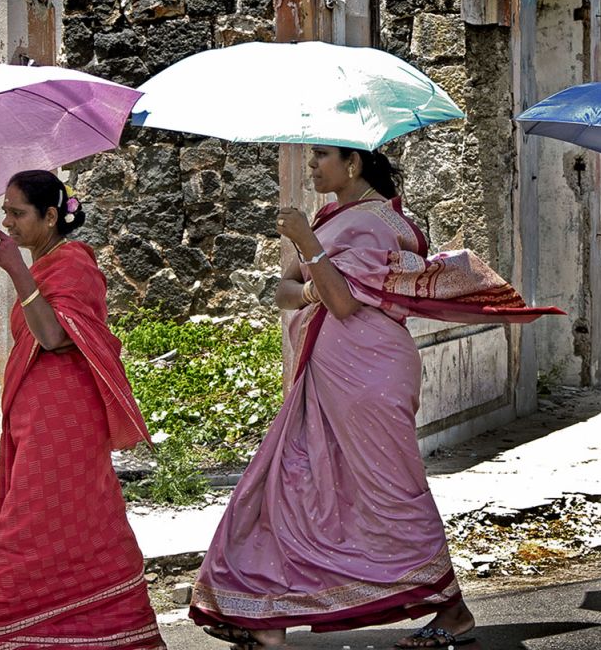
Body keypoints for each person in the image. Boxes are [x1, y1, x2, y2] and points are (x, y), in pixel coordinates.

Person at [190, 145, 561, 648]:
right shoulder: (332, 217)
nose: (313, 165)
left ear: (354, 164)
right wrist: (309, 283)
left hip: (371, 375)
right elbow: (286, 290)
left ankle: (452, 612)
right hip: (326, 374)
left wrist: (307, 249)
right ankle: (267, 617)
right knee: (295, 482)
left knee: (389, 492)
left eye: (322, 155)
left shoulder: (374, 224)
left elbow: (341, 302)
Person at [0, 170, 165, 650]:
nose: (8, 221)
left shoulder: (73, 264)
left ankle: (5, 633)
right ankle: (74, 633)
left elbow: (53, 339)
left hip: (66, 423)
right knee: (49, 520)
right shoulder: (44, 263)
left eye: (18, 213)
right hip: (37, 419)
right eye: (6, 211)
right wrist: (23, 268)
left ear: (50, 216)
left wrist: (17, 270)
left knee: (38, 525)